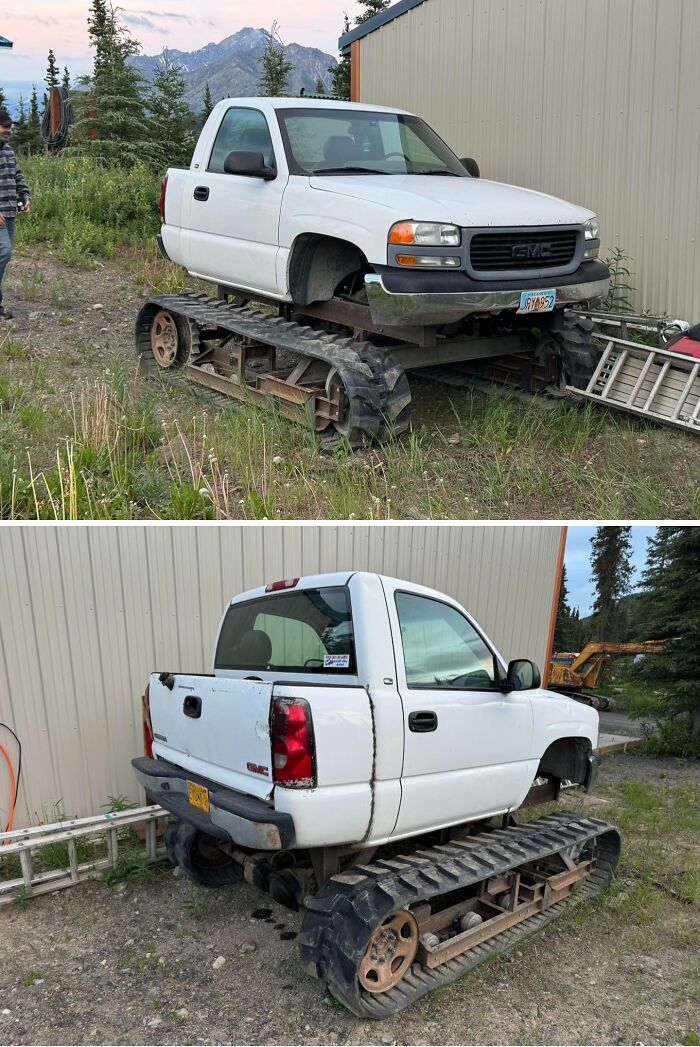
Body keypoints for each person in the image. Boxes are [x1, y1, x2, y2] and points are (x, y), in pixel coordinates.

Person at [0, 109, 31, 320]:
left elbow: (17, 176)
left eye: (10, 127)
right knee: (4, 251)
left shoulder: (9, 150)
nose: (8, 130)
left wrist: (25, 196)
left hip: (10, 212)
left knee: (4, 254)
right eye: (4, 126)